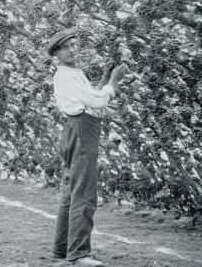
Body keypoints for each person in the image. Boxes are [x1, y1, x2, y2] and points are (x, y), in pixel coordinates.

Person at [47, 28, 129, 267]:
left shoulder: (72, 72)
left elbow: (91, 95)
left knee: (71, 192)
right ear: (57, 53)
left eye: (74, 45)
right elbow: (98, 101)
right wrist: (114, 83)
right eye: (66, 47)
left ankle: (62, 250)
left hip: (77, 129)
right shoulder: (66, 75)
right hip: (82, 131)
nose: (72, 49)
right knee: (84, 193)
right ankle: (79, 253)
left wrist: (104, 79)